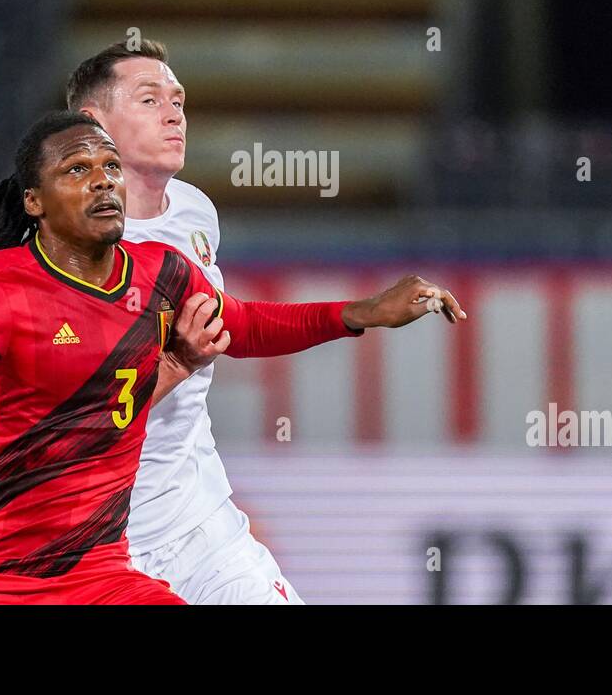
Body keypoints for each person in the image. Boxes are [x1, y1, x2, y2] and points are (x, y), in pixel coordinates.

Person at [0, 109, 465, 603]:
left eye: (110, 167)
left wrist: (361, 312)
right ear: (34, 201)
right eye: (77, 170)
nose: (103, 181)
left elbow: (244, 324)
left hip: (100, 574)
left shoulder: (161, 272)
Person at [64, 39, 466, 604]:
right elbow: (66, 419)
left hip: (199, 523)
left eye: (178, 99)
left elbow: (238, 325)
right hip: (95, 542)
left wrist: (360, 313)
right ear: (92, 123)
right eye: (149, 99)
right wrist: (175, 363)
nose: (174, 112)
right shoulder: (60, 254)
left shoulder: (194, 212)